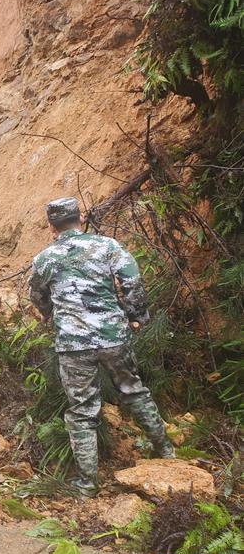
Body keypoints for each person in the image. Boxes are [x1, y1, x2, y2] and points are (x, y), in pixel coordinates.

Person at [28, 197, 175, 497]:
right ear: (80, 218)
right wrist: (136, 316)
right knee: (133, 390)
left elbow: (37, 295)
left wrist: (48, 314)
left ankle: (87, 485)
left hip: (72, 345)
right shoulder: (107, 246)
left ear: (51, 226)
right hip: (113, 337)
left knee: (82, 411)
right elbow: (132, 280)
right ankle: (166, 451)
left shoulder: (45, 258)